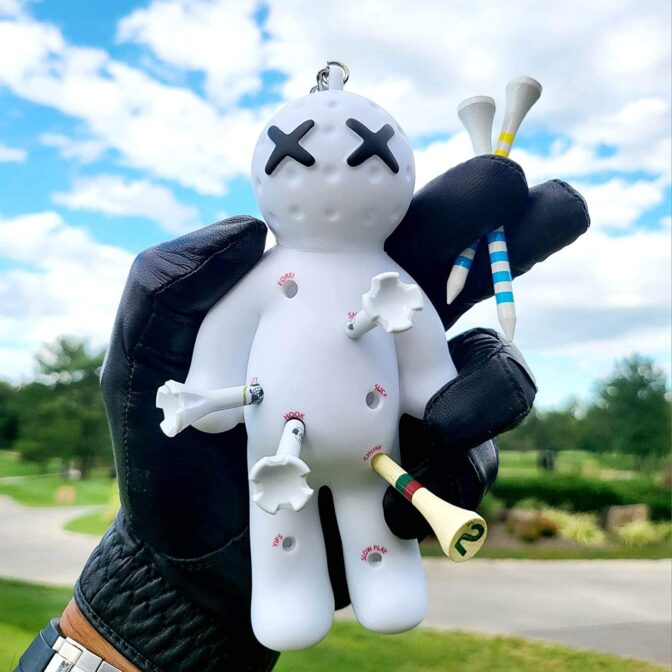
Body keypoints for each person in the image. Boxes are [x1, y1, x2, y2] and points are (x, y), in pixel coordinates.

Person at [13, 154, 589, 672]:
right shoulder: (269, 280)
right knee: (282, 526)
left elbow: (425, 364)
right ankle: (286, 591)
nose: (334, 170)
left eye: (363, 154)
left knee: (370, 523)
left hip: (370, 459)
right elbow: (220, 351)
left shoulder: (391, 281)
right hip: (278, 458)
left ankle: (379, 573)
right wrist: (205, 395)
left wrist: (440, 398)